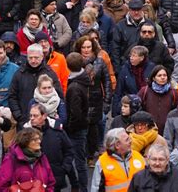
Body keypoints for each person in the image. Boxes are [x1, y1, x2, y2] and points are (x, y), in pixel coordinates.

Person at [73, 35, 112, 165]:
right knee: (79, 128)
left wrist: (107, 101)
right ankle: (80, 154)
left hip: (95, 100)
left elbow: (106, 81)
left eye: (88, 47)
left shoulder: (100, 62)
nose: (86, 50)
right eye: (83, 47)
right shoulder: (74, 62)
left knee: (93, 130)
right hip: (79, 99)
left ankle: (90, 155)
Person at [8, 44, 63, 129]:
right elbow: (12, 96)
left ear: (42, 57)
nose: (33, 61)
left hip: (47, 123)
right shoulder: (19, 74)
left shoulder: (50, 73)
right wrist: (19, 117)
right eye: (30, 58)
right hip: (25, 122)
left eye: (36, 58)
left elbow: (59, 96)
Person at [26, 103, 74, 192]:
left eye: (35, 116)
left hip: (55, 177)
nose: (32, 118)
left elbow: (69, 150)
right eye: (30, 115)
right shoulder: (25, 134)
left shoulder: (57, 132)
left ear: (44, 116)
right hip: (33, 180)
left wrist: (64, 168)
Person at [0, 127, 56, 192]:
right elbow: (1, 186)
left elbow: (51, 182)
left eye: (39, 138)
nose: (39, 141)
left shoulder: (42, 158)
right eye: (35, 139)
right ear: (25, 142)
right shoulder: (11, 159)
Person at [90, 128, 145, 192]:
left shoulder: (138, 156)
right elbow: (95, 189)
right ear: (117, 145)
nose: (131, 141)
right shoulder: (102, 163)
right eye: (127, 140)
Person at [65, 52, 90, 192]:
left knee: (79, 162)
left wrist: (69, 127)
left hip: (76, 129)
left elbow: (75, 113)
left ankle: (81, 188)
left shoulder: (74, 87)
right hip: (81, 126)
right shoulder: (82, 78)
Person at [112, 46, 155, 115]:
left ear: (142, 58)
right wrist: (115, 111)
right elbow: (118, 91)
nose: (131, 58)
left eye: (134, 56)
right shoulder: (125, 69)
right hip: (130, 105)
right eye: (130, 55)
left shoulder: (151, 68)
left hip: (147, 106)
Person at [138, 65, 178, 136]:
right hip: (148, 131)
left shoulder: (173, 93)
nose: (162, 77)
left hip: (167, 132)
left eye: (164, 75)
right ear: (153, 78)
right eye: (159, 75)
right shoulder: (145, 91)